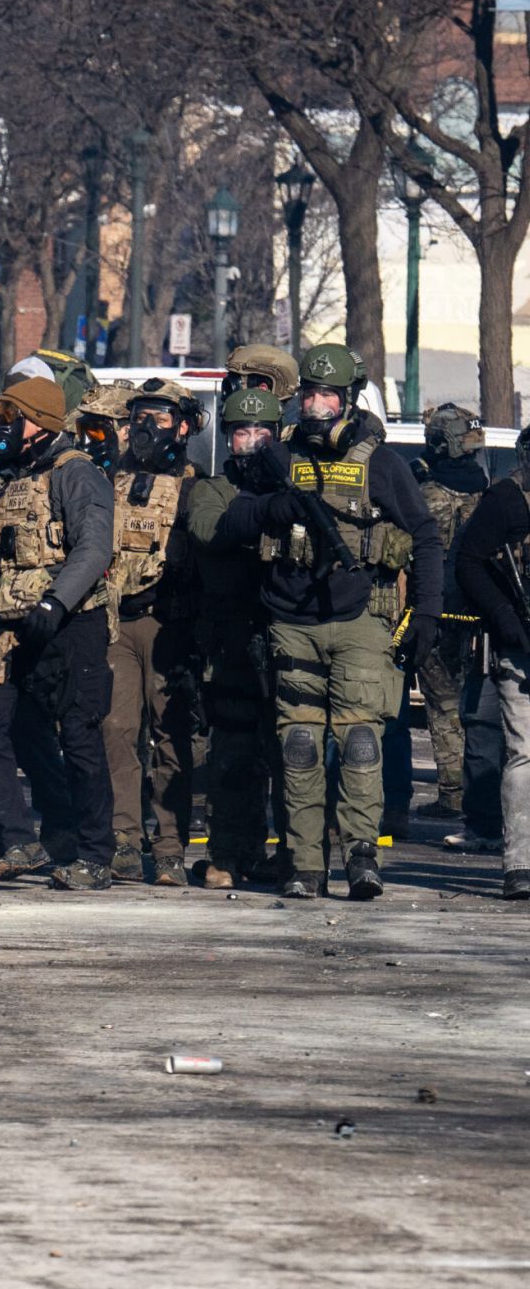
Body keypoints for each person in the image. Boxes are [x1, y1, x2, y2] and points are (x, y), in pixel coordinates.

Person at [215, 344, 443, 900]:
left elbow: (427, 537)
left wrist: (428, 614)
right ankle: (305, 863)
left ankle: (362, 855)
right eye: (310, 394)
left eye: (328, 395)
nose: (316, 405)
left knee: (362, 741)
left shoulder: (380, 463)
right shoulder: (279, 455)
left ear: (347, 400)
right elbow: (234, 519)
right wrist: (274, 508)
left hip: (361, 619)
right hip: (290, 622)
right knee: (298, 747)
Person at [0, 376, 118, 889]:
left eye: (15, 417)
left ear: (41, 423)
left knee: (79, 738)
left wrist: (55, 601)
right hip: (11, 629)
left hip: (71, 626)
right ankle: (19, 838)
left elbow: (93, 549)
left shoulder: (77, 474)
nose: (4, 428)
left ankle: (94, 852)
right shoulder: (6, 477)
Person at [101, 379, 203, 886]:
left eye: (159, 419)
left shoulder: (196, 485)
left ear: (183, 427)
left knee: (171, 737)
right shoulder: (109, 478)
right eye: (139, 416)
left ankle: (168, 848)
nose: (146, 428)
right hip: (117, 622)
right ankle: (124, 840)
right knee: (116, 731)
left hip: (171, 627)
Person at [186, 383, 285, 888]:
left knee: (292, 753)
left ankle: (292, 854)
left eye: (261, 432)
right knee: (232, 756)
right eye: (241, 432)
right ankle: (229, 852)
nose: (250, 442)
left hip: (286, 637)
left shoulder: (292, 487)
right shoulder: (213, 490)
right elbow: (210, 531)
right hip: (230, 640)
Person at [450, 436, 530, 899]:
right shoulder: (507, 499)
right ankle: (520, 864)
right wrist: (504, 618)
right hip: (518, 643)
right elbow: (470, 563)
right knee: (523, 753)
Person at [411, 403, 488, 821]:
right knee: (474, 707)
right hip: (478, 612)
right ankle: (475, 794)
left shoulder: (427, 495)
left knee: (442, 703)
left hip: (437, 610)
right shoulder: (485, 491)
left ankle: (454, 794)